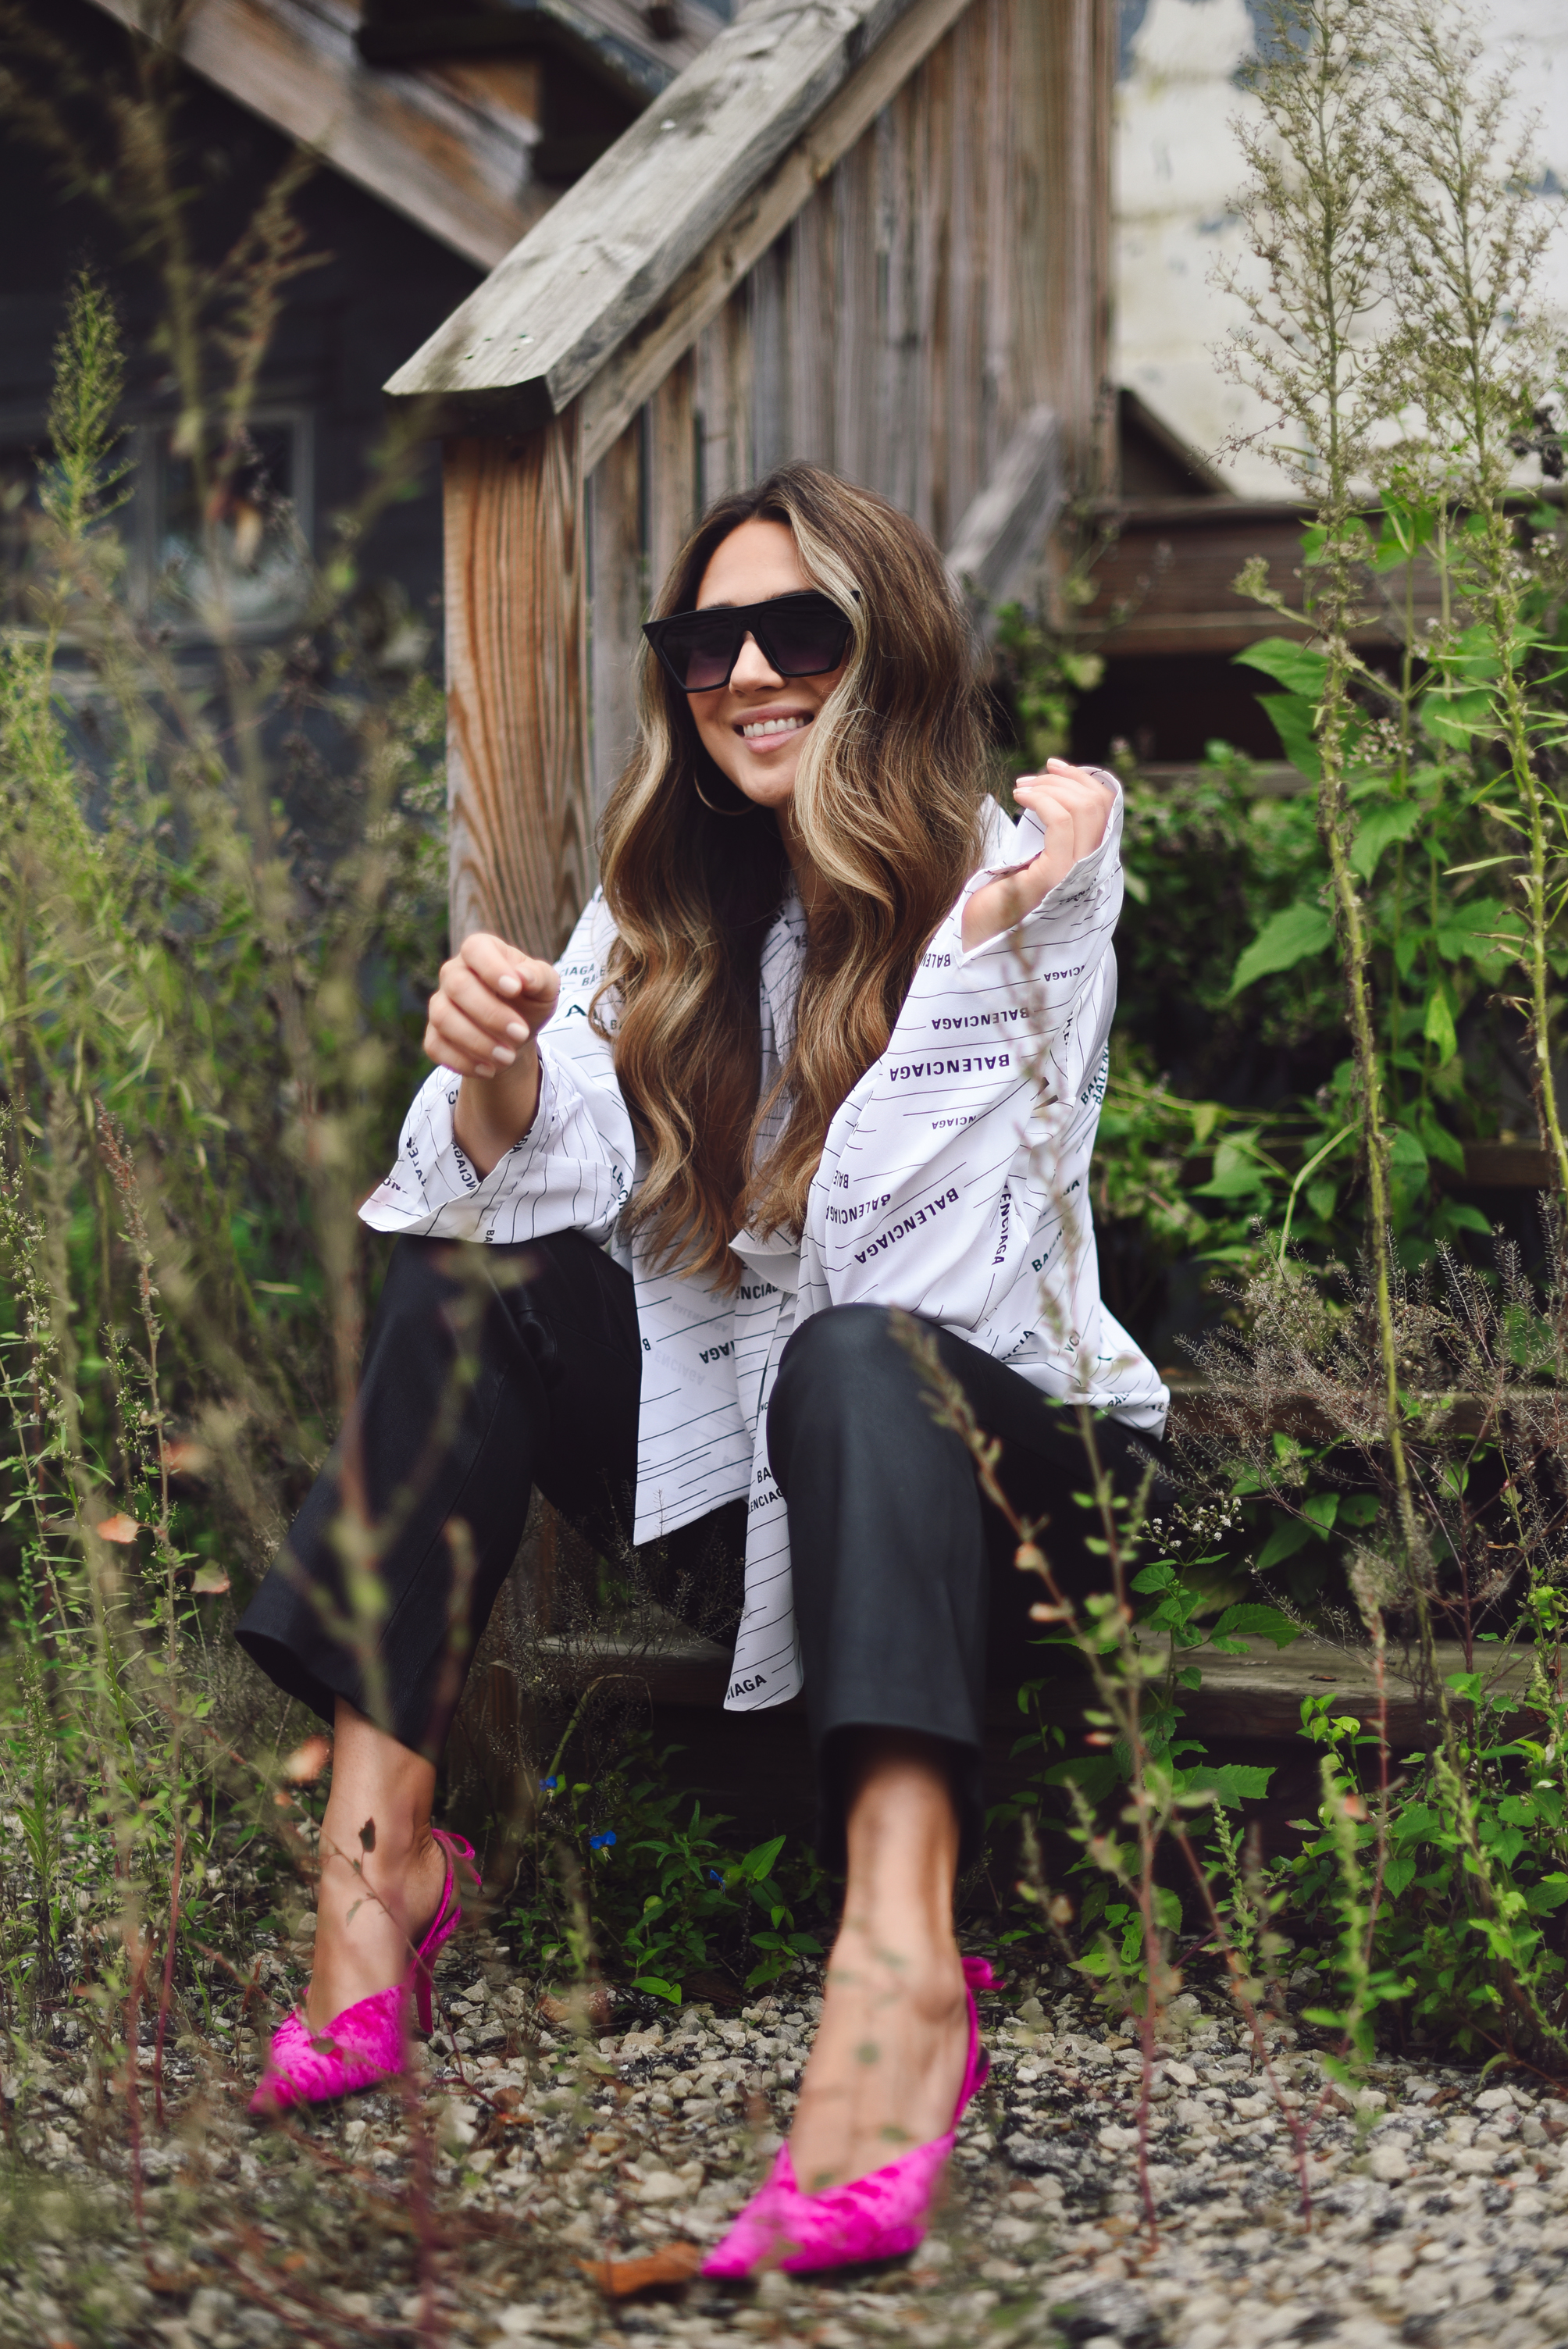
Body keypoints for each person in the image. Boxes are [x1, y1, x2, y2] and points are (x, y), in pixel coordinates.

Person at [235, 461, 1168, 2273]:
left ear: (881, 646)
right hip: (766, 1487)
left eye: (794, 629)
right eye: (703, 639)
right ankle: (378, 1876)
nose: (744, 672)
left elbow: (933, 1281)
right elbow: (547, 1176)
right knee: (465, 1285)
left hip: (1009, 1496)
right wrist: (496, 1064)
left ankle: (898, 1965)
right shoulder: (659, 905)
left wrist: (974, 950)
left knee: (848, 1351)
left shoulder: (1026, 875)